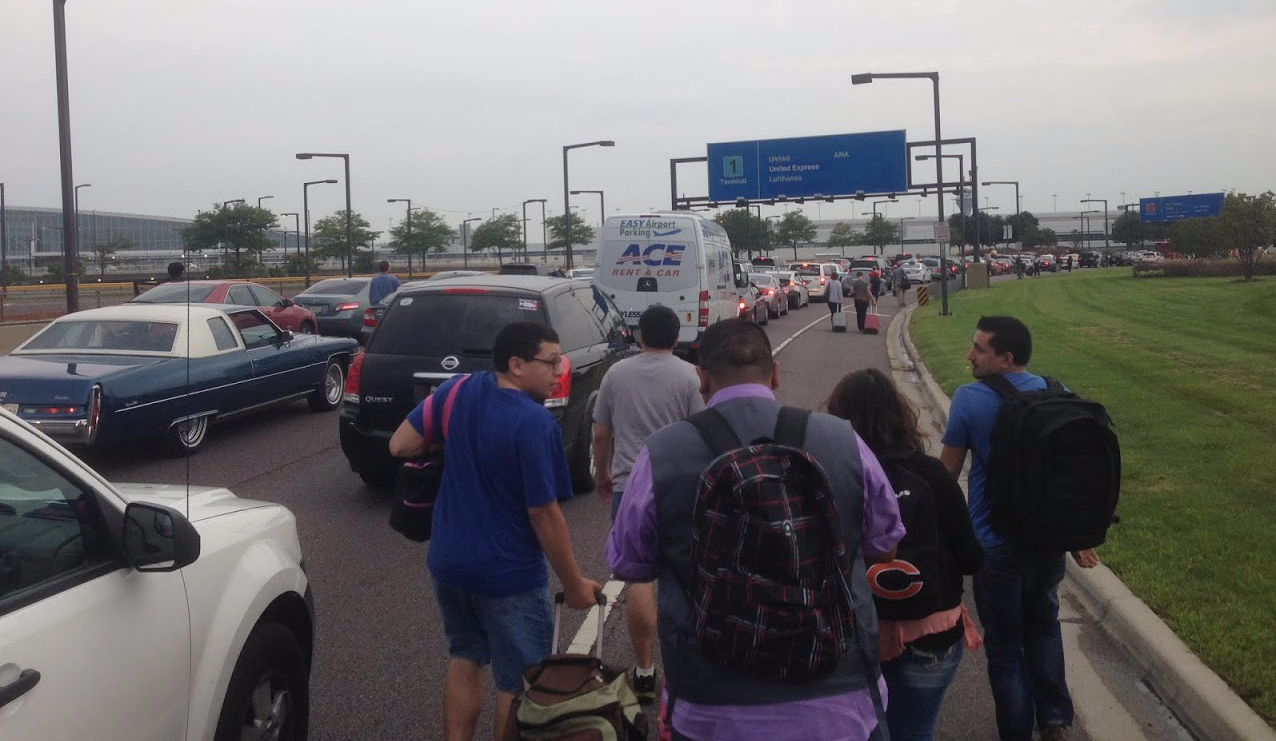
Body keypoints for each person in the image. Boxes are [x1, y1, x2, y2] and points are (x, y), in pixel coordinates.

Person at [607, 319, 905, 741]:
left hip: (711, 702)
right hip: (840, 696)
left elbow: (629, 563)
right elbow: (885, 544)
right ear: (776, 373)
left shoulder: (661, 453)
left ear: (701, 378)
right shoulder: (843, 440)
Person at [389, 321, 602, 741]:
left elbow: (400, 445)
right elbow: (545, 515)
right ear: (517, 365)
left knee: (465, 655)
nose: (560, 370)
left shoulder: (457, 391)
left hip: (449, 562)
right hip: (507, 575)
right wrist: (574, 584)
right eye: (551, 361)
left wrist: (461, 445)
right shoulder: (534, 424)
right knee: (520, 679)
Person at [938, 316, 1100, 741]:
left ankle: (1016, 731)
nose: (969, 356)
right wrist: (1078, 537)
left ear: (1006, 358)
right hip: (1047, 542)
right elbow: (1067, 472)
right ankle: (1056, 721)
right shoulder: (1055, 391)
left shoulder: (970, 398)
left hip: (994, 545)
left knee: (1006, 648)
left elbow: (948, 471)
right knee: (1045, 627)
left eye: (979, 349)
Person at [827, 368, 984, 741]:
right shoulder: (930, 474)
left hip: (852, 633)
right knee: (915, 730)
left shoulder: (829, 475)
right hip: (928, 630)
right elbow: (971, 558)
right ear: (899, 416)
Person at [592, 305, 705, 704]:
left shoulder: (616, 374)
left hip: (629, 487)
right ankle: (682, 669)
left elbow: (602, 432)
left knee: (639, 579)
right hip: (680, 488)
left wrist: (603, 474)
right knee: (684, 579)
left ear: (641, 337)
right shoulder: (690, 375)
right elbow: (702, 434)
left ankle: (643, 670)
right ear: (677, 338)